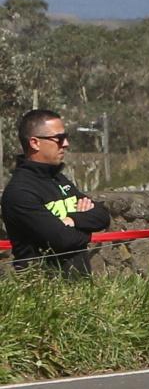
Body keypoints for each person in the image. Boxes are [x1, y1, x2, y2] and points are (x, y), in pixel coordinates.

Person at [3, 109, 110, 275]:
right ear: (35, 143)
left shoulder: (59, 179)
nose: (66, 144)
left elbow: (102, 216)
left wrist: (72, 220)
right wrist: (85, 227)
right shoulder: (20, 192)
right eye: (59, 139)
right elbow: (63, 240)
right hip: (45, 295)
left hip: (80, 290)